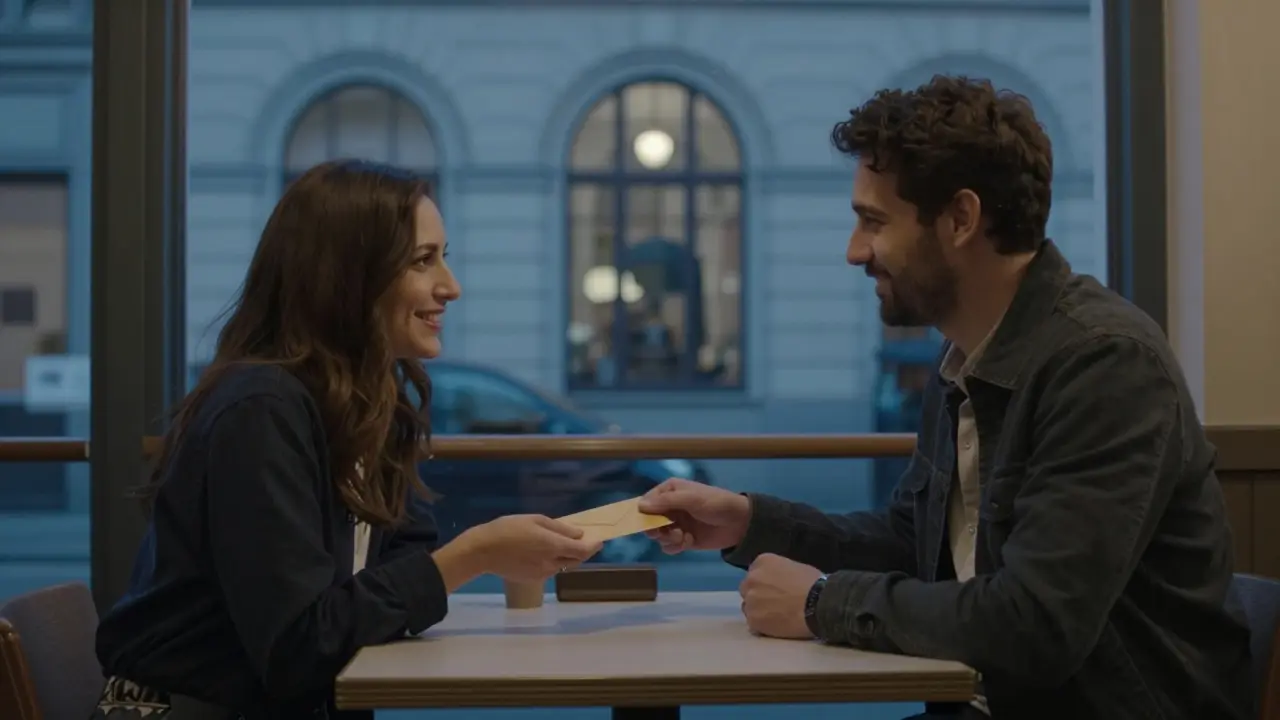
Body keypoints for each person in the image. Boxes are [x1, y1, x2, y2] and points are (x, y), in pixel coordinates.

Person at [640, 76, 1253, 720]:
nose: (854, 252)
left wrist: (821, 603)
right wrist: (748, 521)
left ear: (961, 219)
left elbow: (1037, 623)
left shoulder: (1105, 364)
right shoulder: (966, 357)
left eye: (874, 222)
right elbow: (914, 545)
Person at [91, 160, 603, 720]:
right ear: (346, 277)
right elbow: (298, 649)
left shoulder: (360, 400)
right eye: (422, 260)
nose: (450, 287)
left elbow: (399, 560)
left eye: (444, 257)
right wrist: (476, 554)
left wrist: (476, 557)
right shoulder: (261, 411)